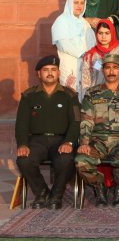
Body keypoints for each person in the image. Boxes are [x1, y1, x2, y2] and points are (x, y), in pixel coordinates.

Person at [75, 54, 119, 207]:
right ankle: (99, 187)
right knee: (81, 160)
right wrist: (85, 142)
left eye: (115, 67)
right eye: (108, 67)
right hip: (97, 142)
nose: (111, 71)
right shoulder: (92, 93)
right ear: (103, 70)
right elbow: (86, 120)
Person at [15, 55, 80, 210]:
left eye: (53, 70)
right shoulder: (28, 96)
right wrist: (23, 144)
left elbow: (76, 123)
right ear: (39, 74)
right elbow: (21, 124)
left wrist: (69, 142)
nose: (50, 73)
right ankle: (42, 192)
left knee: (65, 160)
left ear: (58, 73)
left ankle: (56, 196)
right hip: (37, 141)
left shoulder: (70, 95)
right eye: (46, 70)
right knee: (23, 160)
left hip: (61, 140)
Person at [51, 0, 96, 99]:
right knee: (70, 96)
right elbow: (63, 44)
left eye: (82, 3)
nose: (79, 6)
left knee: (86, 97)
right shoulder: (61, 21)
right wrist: (84, 53)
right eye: (76, 3)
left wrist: (95, 62)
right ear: (69, 4)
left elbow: (93, 45)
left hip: (86, 65)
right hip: (70, 64)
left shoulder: (85, 23)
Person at [81, 19, 119, 96]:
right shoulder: (91, 55)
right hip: (99, 98)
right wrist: (87, 98)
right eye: (100, 33)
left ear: (112, 33)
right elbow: (86, 80)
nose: (103, 36)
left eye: (107, 33)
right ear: (96, 34)